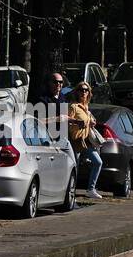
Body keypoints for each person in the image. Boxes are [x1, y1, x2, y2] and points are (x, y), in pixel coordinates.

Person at [34, 71, 78, 208]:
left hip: (62, 138)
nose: (58, 85)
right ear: (49, 83)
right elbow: (37, 121)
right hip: (47, 140)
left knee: (73, 165)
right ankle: (49, 197)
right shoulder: (42, 100)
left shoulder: (63, 98)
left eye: (60, 82)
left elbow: (65, 118)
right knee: (49, 169)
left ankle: (70, 198)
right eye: (55, 82)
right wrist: (57, 118)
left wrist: (75, 121)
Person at [67, 82, 104, 199]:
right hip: (76, 140)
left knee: (98, 162)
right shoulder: (73, 106)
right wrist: (76, 122)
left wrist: (91, 122)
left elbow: (89, 121)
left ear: (89, 93)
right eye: (81, 90)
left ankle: (91, 189)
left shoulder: (86, 107)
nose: (84, 92)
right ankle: (69, 192)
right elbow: (66, 120)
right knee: (74, 167)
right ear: (76, 92)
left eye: (86, 90)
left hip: (86, 141)